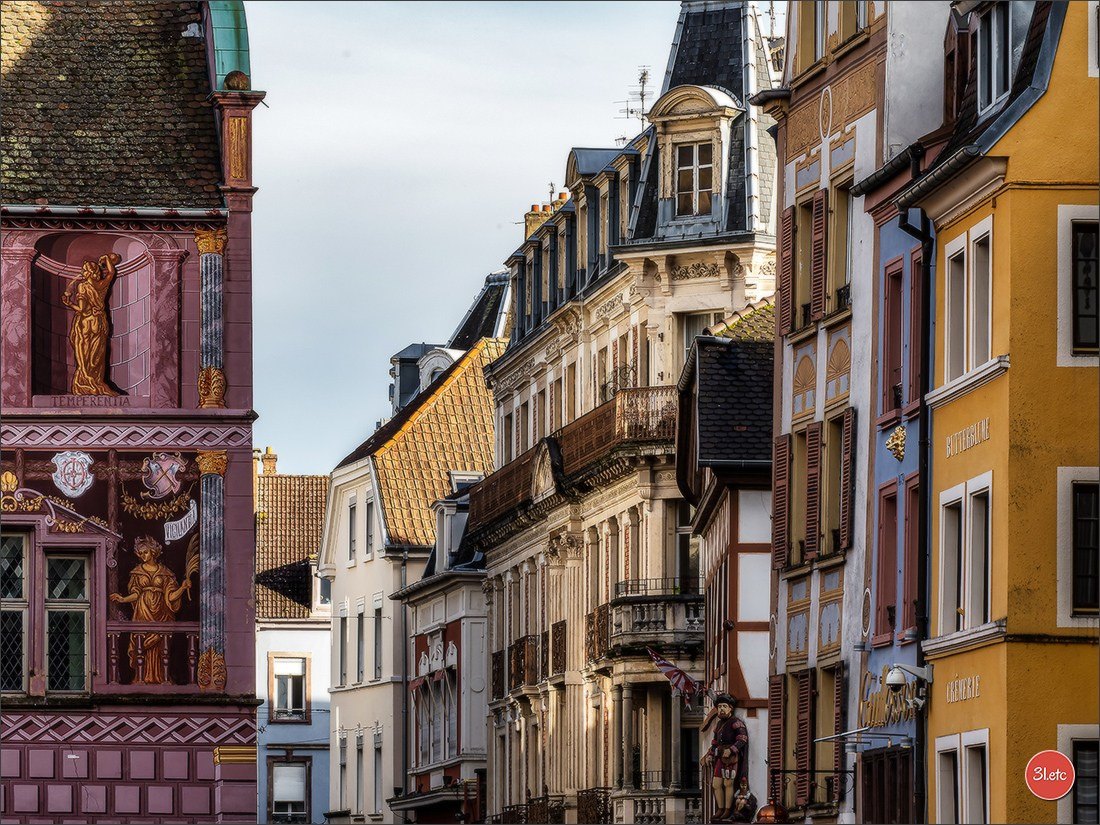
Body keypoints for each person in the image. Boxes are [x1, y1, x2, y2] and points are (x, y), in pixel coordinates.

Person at [110, 535, 197, 684]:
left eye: (146, 552)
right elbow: (136, 594)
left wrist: (182, 588)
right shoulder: (137, 572)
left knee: (159, 648)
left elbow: (170, 598)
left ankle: (159, 678)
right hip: (142, 612)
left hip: (162, 613)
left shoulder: (165, 573)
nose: (143, 555)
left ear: (153, 552)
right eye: (141, 553)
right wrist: (123, 599)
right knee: (142, 644)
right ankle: (141, 677)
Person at [61, 252, 122, 395]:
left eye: (84, 271)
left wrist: (69, 303)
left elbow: (82, 309)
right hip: (100, 322)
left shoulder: (83, 287)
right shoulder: (102, 285)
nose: (82, 273)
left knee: (84, 354)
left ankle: (85, 381)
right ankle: (96, 381)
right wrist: (107, 260)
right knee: (97, 355)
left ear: (87, 272)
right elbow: (111, 273)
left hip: (86, 323)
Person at [701, 693, 749, 822]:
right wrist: (711, 754)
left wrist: (732, 749)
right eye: (719, 706)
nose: (721, 709)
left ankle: (728, 809)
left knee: (728, 783)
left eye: (724, 706)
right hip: (719, 756)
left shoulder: (736, 723)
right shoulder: (719, 724)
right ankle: (720, 808)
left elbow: (742, 738)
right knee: (716, 784)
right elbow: (715, 742)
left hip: (731, 758)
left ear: (730, 708)